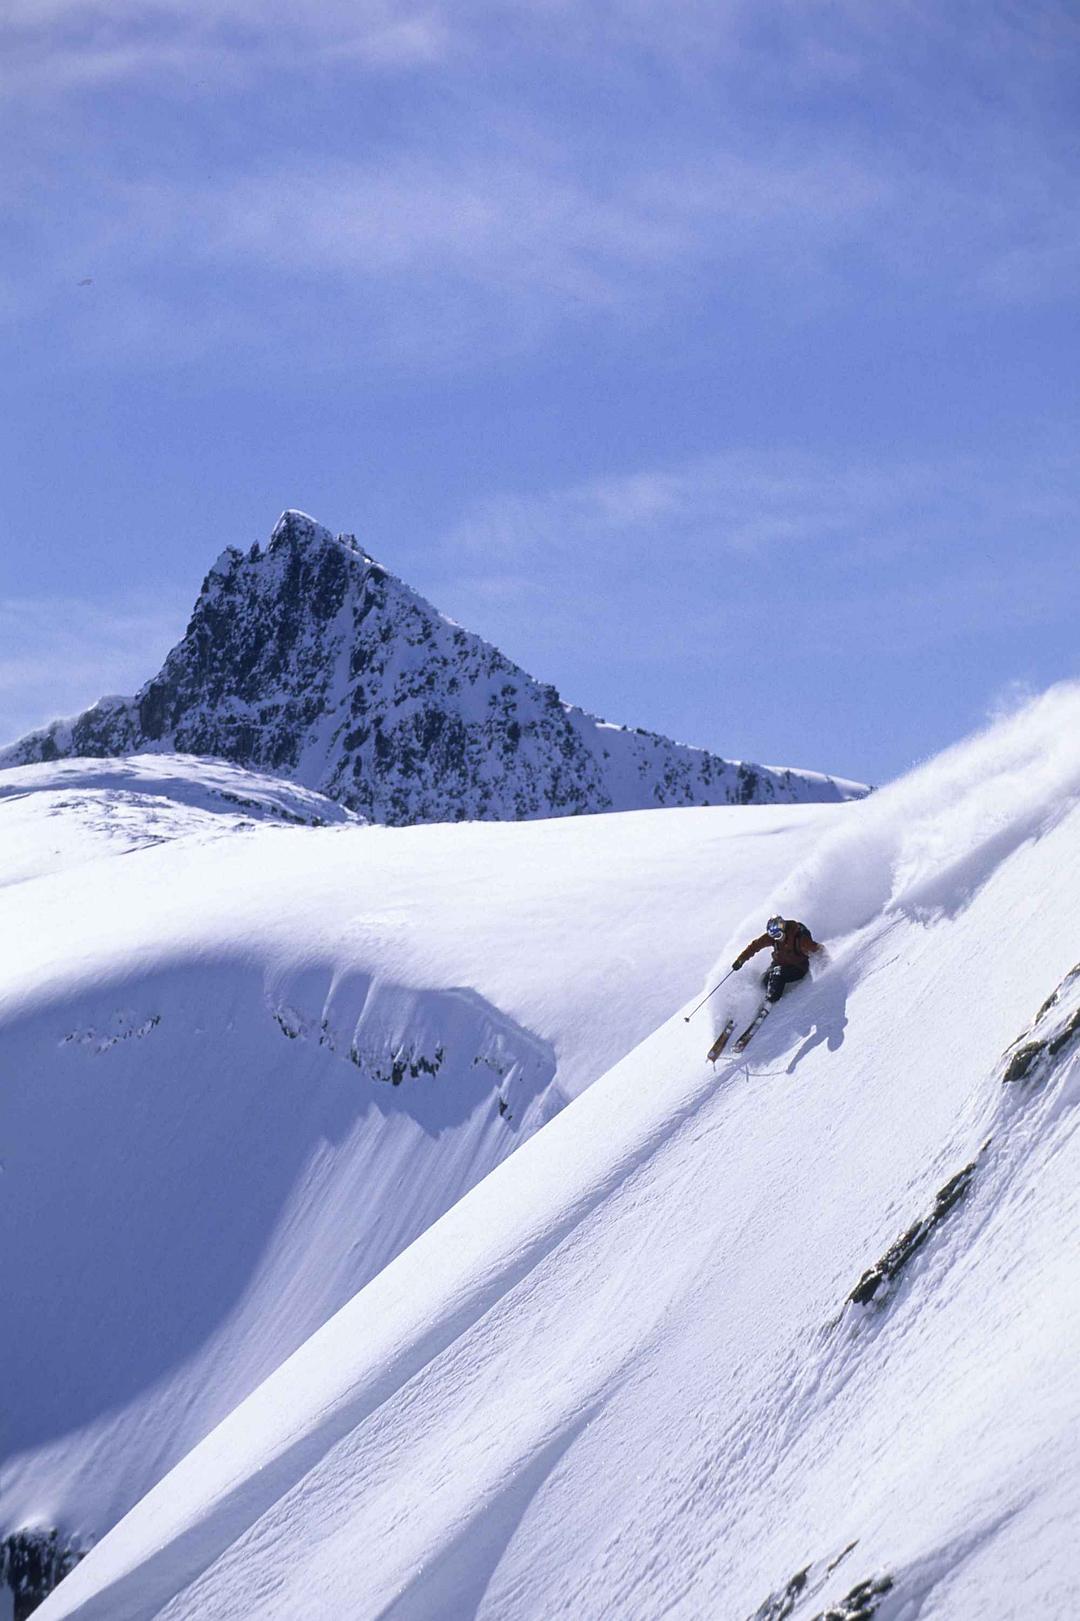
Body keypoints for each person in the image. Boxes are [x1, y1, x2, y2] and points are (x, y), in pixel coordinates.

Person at [733, 914, 821, 1004]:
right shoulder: (774, 938)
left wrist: (825, 963)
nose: (777, 938)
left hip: (798, 967)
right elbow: (755, 946)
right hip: (779, 963)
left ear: (783, 929)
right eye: (773, 936)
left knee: (777, 973)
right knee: (764, 980)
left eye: (778, 935)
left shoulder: (799, 938)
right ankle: (756, 1003)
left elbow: (818, 949)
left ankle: (770, 1001)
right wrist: (741, 960)